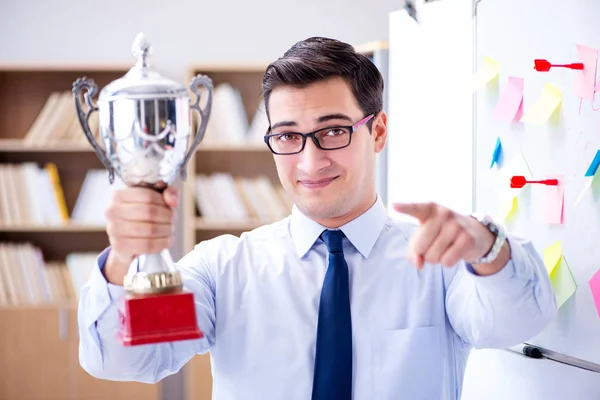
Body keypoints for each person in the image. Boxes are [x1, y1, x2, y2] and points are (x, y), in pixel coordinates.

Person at [78, 37, 557, 400]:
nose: (310, 162)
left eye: (332, 131)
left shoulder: (441, 262)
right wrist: (125, 258)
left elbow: (520, 322)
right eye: (287, 136)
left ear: (379, 130)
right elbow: (131, 358)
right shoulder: (222, 269)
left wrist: (488, 248)